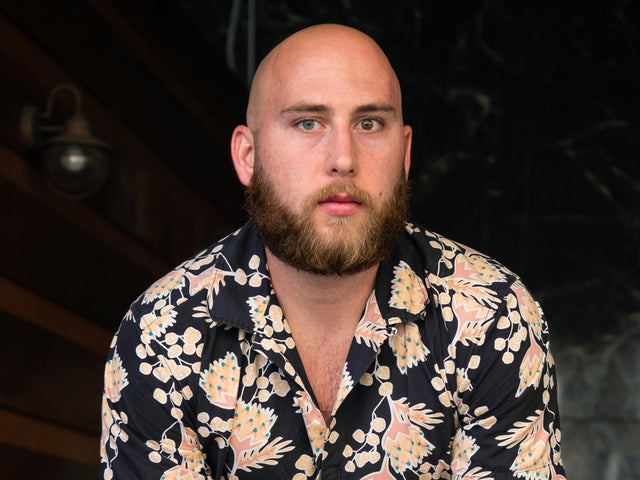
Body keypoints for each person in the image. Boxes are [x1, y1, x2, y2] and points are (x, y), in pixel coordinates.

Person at [100, 24, 567, 480]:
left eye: (369, 123)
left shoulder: (491, 315)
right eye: (308, 122)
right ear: (248, 156)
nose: (343, 158)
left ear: (404, 154)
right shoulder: (160, 332)